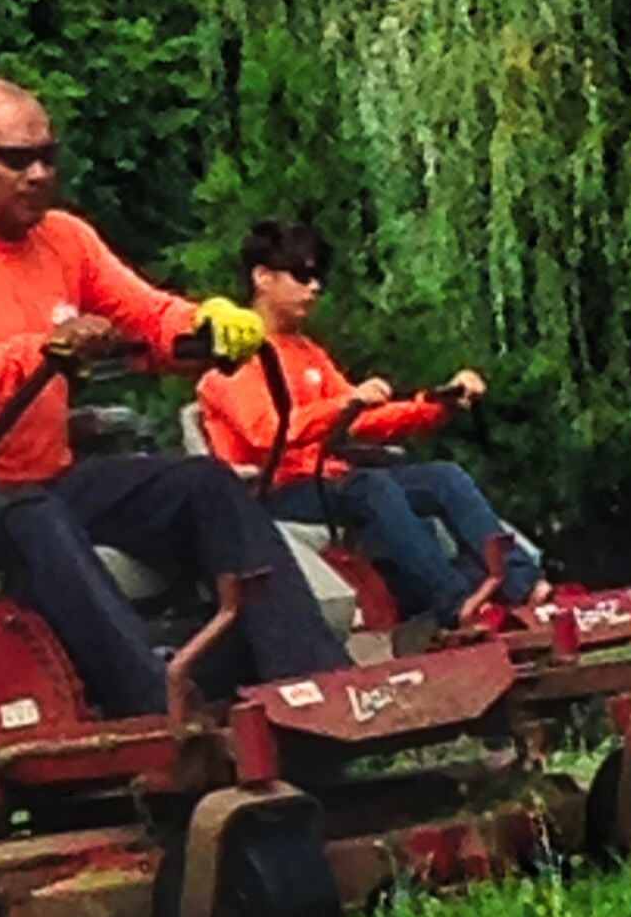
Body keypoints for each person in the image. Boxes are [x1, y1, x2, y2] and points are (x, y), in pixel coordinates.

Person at [0, 78, 351, 716]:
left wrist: (203, 326)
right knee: (32, 514)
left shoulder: (67, 239)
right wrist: (41, 350)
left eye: (48, 156)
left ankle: (316, 691)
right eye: (16, 160)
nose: (38, 173)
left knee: (204, 484)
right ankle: (160, 712)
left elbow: (148, 313)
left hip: (41, 480)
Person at [196, 219, 549, 626]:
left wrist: (438, 403)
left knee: (444, 478)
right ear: (262, 277)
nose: (315, 288)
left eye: (319, 278)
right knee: (372, 487)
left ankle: (528, 588)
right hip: (275, 491)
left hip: (327, 482)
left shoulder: (308, 353)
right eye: (302, 275)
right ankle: (458, 604)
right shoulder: (233, 362)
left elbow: (364, 419)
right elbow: (267, 433)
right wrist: (345, 403)